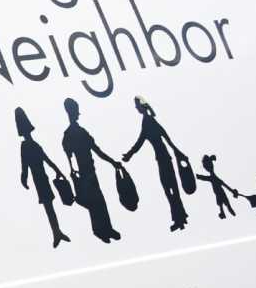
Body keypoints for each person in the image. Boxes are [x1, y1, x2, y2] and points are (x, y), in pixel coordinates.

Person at [122, 96, 190, 232]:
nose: (136, 108)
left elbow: (141, 140)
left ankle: (179, 218)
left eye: (137, 106)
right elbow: (166, 139)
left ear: (141, 107)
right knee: (172, 190)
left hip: (163, 159)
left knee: (170, 190)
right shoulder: (149, 120)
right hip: (164, 158)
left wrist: (130, 154)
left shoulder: (148, 122)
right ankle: (180, 217)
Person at [62, 97, 125, 243]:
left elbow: (97, 151)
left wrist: (113, 162)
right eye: (76, 110)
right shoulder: (70, 134)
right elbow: (69, 156)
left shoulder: (81, 132)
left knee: (99, 202)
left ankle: (107, 229)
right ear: (71, 112)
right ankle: (100, 231)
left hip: (90, 172)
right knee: (94, 203)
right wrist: (75, 174)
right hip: (83, 174)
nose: (78, 113)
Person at [15, 106, 72, 248]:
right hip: (40, 181)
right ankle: (56, 232)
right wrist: (24, 178)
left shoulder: (32, 145)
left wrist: (58, 171)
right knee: (49, 206)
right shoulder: (29, 146)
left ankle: (56, 232)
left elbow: (46, 160)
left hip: (43, 179)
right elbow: (25, 165)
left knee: (49, 206)